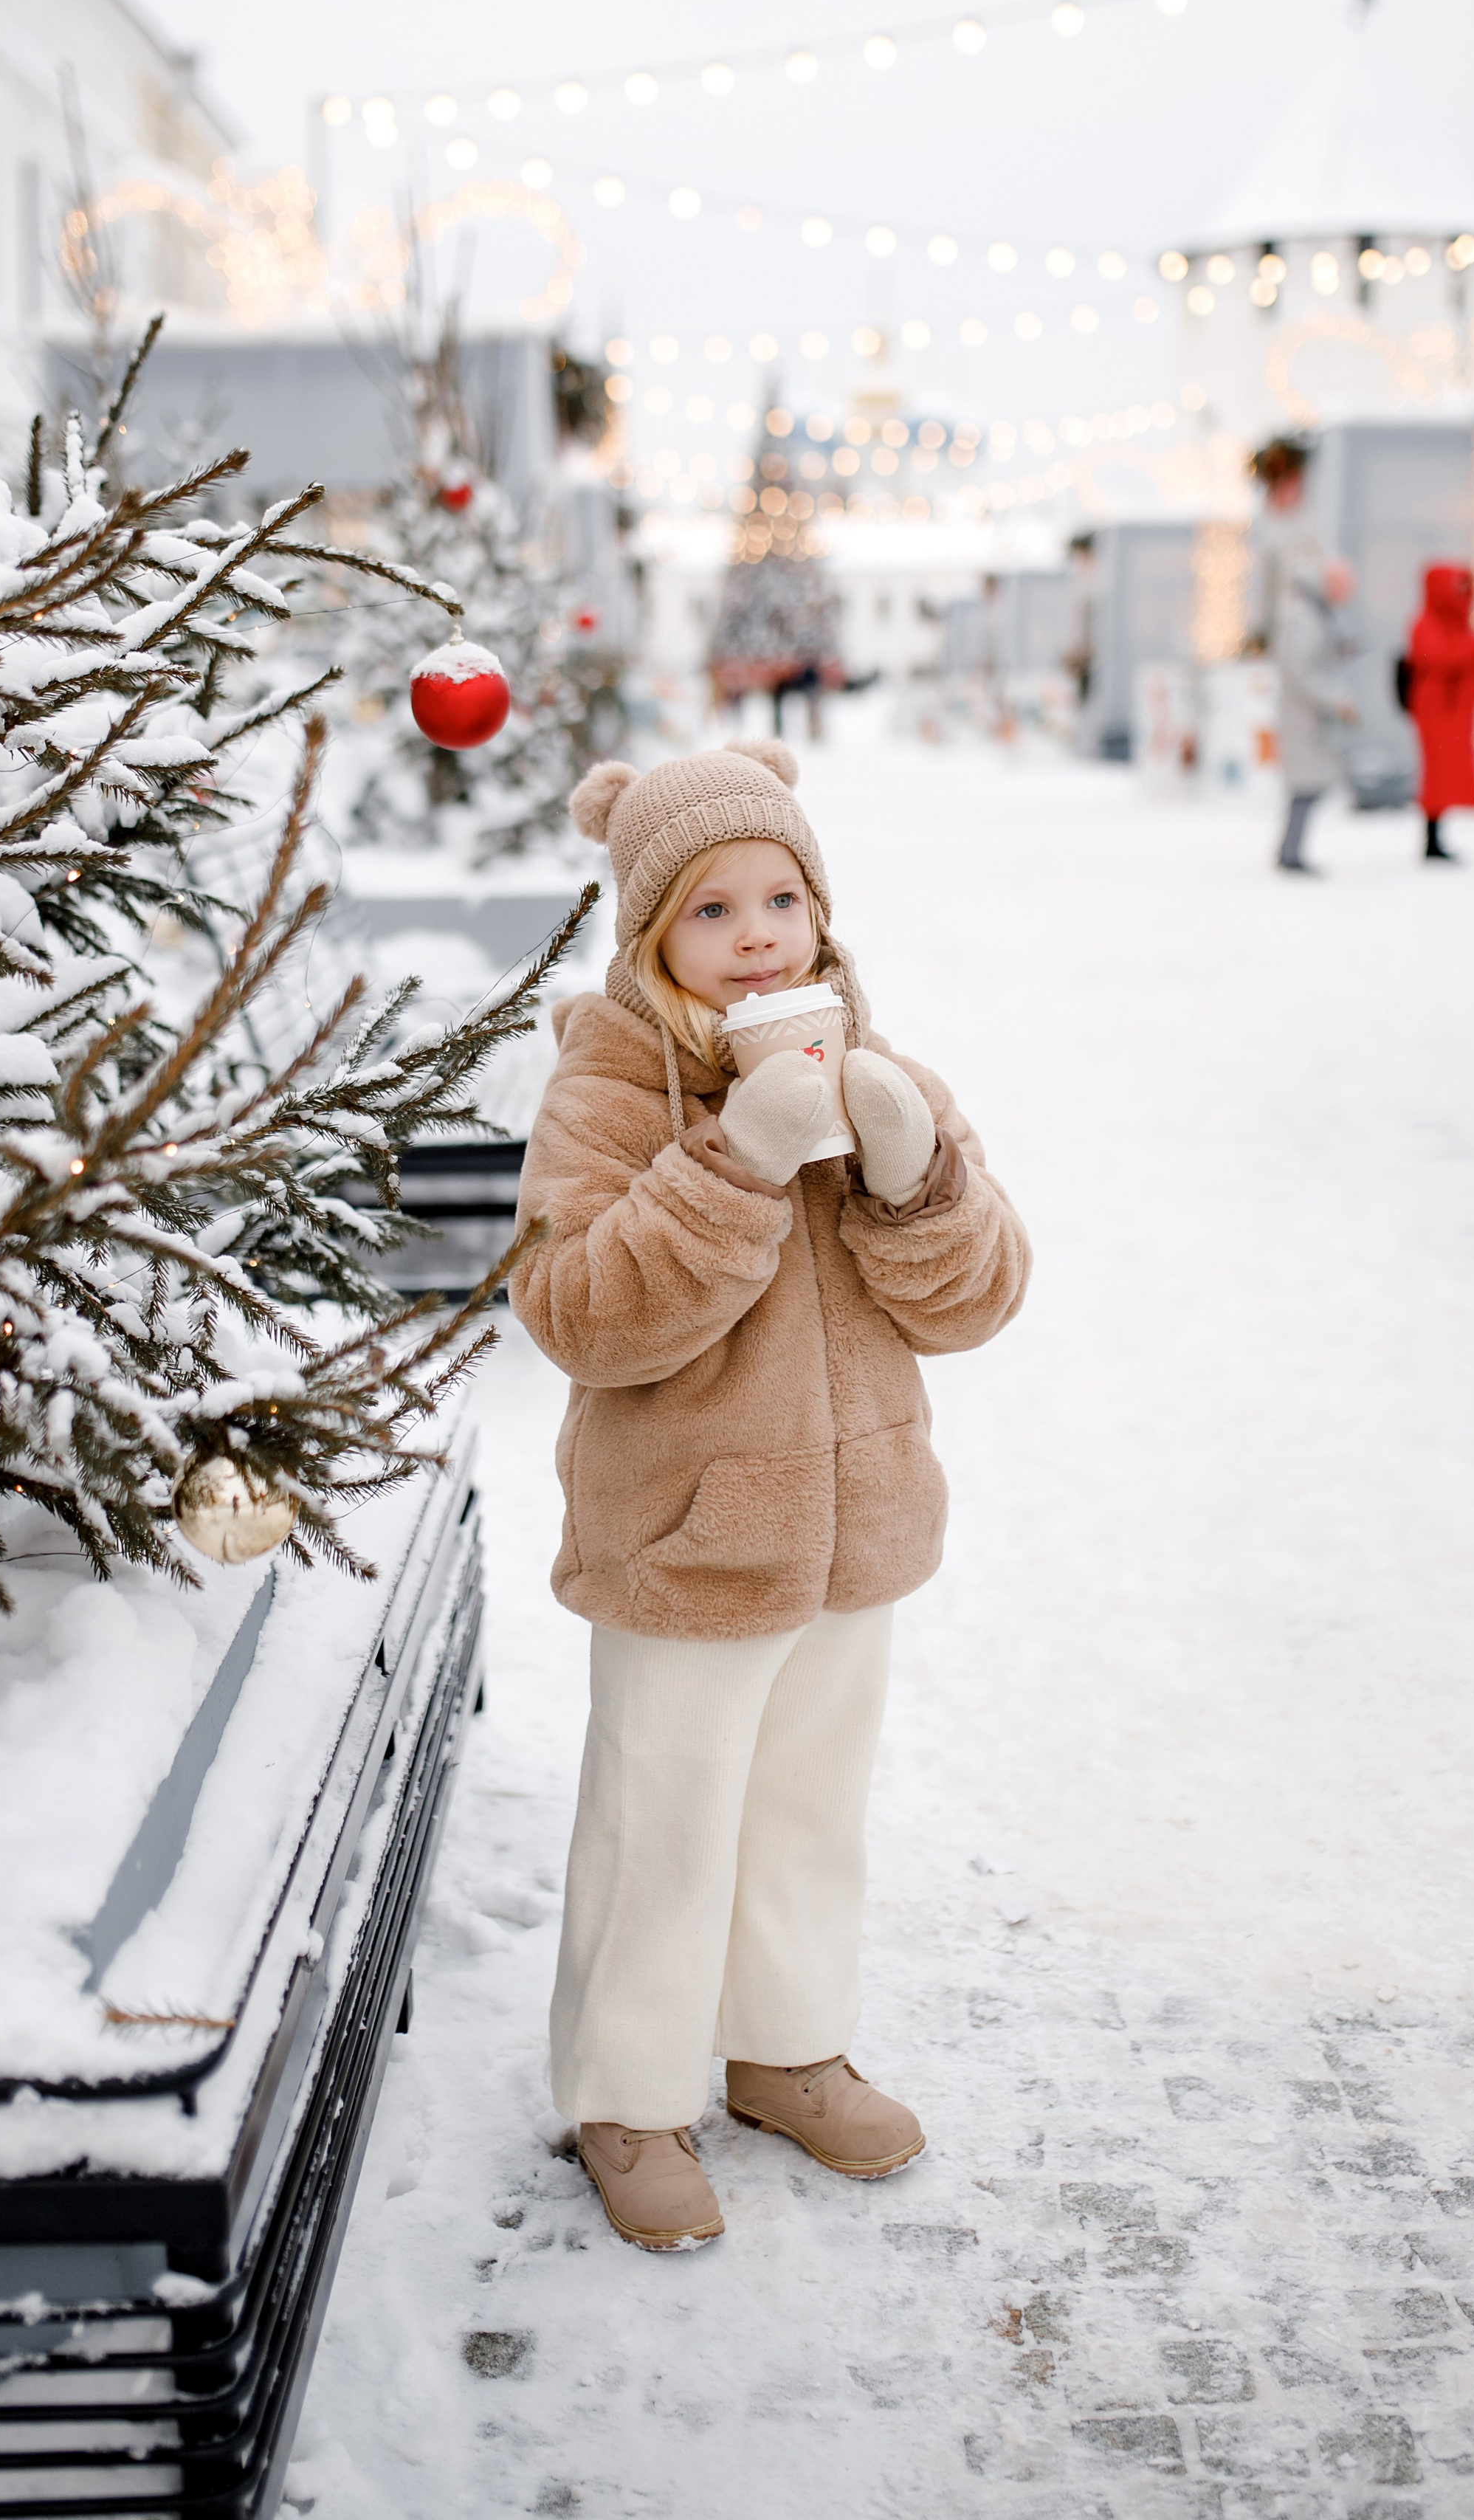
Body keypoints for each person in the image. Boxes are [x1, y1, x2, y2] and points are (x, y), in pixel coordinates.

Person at [512, 741, 1030, 2252]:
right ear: (645, 935)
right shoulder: (607, 1093)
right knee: (661, 1822)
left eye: (780, 898)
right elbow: (578, 1313)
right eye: (707, 908)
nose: (754, 935)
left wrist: (915, 1175)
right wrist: (731, 1167)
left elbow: (978, 1301)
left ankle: (784, 2049)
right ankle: (627, 2093)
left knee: (808, 1811)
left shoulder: (877, 1070)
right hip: (683, 1538)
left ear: (819, 913)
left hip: (851, 1537)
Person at [1247, 438, 1359, 874]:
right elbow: (1298, 659)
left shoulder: (1309, 527)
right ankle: (1290, 853)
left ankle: (1291, 851)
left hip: (1304, 691)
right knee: (1306, 780)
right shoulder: (1297, 604)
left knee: (1309, 779)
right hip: (1300, 695)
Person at [1404, 563, 1474, 863]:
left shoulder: (1459, 626)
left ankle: (1436, 836)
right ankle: (1431, 838)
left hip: (1453, 712)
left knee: (1446, 773)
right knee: (1435, 774)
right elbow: (1441, 656)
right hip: (1435, 710)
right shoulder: (1425, 624)